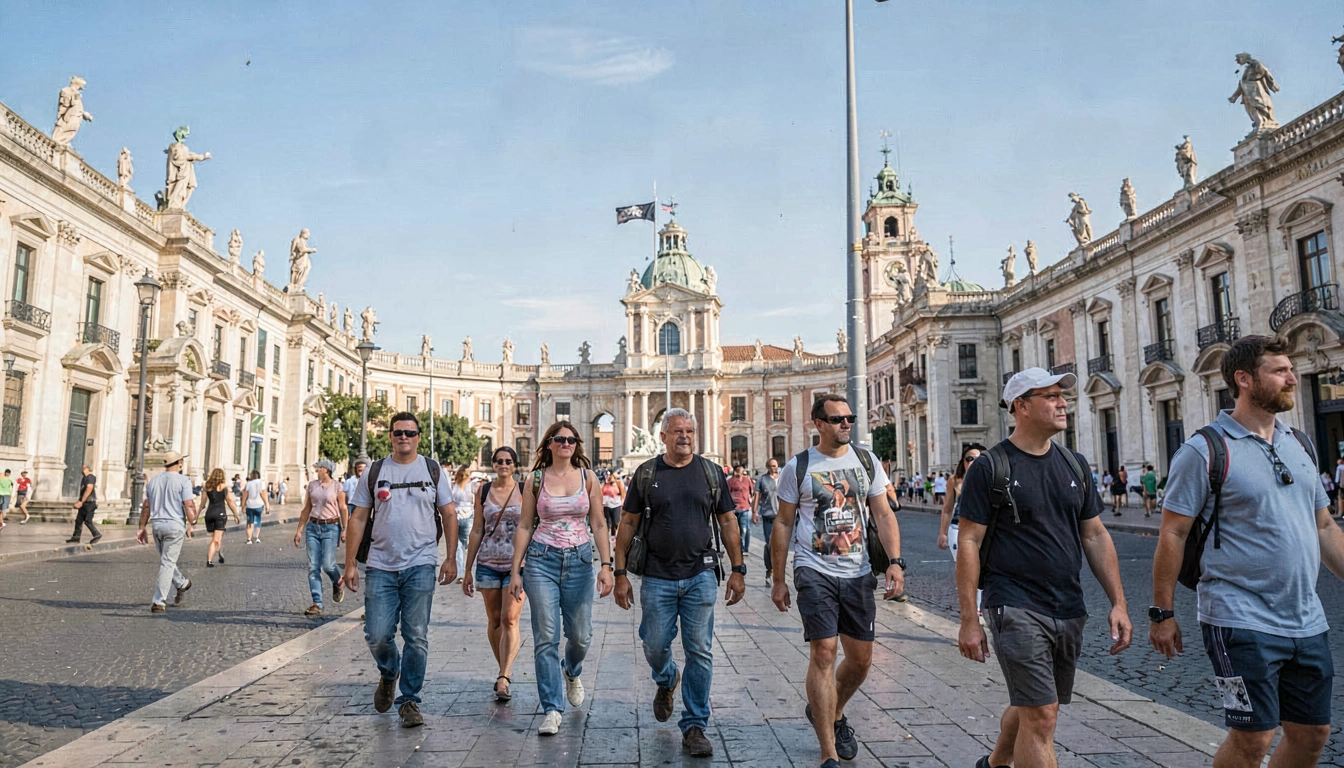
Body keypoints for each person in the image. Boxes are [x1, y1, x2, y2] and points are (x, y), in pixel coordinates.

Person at [1151, 336, 1344, 768]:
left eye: (1290, 369)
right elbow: (1173, 534)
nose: (1292, 378)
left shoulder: (1301, 444)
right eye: (1280, 371)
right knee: (1253, 737)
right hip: (1237, 618)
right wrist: (1162, 613)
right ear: (1244, 379)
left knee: (1312, 734)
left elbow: (1325, 527)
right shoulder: (1204, 450)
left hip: (1307, 618)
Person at [955, 368, 1131, 768]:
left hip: (1068, 606)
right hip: (1014, 603)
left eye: (1061, 395)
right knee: (1042, 715)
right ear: (1021, 406)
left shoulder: (1075, 464)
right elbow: (969, 542)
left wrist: (1119, 603)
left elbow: (1095, 535)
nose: (1062, 402)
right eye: (1050, 396)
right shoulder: (990, 466)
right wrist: (969, 619)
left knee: (1033, 705)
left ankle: (994, 764)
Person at [769, 395, 904, 768]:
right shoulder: (798, 467)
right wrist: (778, 578)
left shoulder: (866, 461)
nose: (846, 424)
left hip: (858, 571)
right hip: (814, 568)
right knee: (824, 651)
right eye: (837, 419)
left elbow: (883, 513)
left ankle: (833, 712)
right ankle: (828, 751)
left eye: (849, 418)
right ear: (818, 424)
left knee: (860, 661)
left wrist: (895, 562)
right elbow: (783, 522)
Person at [614, 409, 743, 757]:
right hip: (657, 575)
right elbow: (627, 523)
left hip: (700, 574)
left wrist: (738, 568)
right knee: (654, 644)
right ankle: (667, 677)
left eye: (689, 430)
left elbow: (728, 521)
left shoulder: (710, 472)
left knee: (700, 650)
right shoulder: (647, 473)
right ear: (663, 436)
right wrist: (620, 574)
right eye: (677, 431)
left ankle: (695, 725)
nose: (684, 436)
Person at [342, 412, 458, 728]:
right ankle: (390, 670)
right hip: (381, 563)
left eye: (410, 432)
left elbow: (449, 514)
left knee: (416, 635)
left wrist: (450, 558)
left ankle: (409, 700)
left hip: (421, 562)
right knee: (377, 634)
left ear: (418, 437)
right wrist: (350, 563)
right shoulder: (375, 471)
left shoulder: (432, 470)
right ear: (391, 437)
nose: (404, 437)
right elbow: (358, 518)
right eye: (398, 433)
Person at [508, 421, 614, 737]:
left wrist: (606, 565)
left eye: (571, 439)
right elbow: (525, 525)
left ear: (576, 444)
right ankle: (552, 709)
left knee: (581, 635)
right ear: (549, 444)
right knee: (546, 636)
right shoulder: (535, 479)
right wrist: (515, 570)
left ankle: (571, 670)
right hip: (541, 560)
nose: (566, 443)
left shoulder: (588, 478)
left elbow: (599, 524)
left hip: (579, 560)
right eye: (560, 439)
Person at [462, 446, 526, 702]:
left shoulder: (524, 491)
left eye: (508, 461)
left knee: (510, 618)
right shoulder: (483, 490)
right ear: (493, 464)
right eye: (499, 461)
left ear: (515, 465)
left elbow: (531, 526)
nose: (503, 464)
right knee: (495, 620)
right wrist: (467, 569)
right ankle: (503, 668)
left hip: (517, 565)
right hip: (487, 561)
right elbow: (477, 529)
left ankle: (504, 675)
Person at [137, 452, 198, 613]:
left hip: (157, 525)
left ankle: (182, 583)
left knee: (166, 561)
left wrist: (142, 527)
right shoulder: (183, 481)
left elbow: (146, 506)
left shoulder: (153, 481)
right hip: (175, 525)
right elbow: (188, 504)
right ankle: (159, 601)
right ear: (179, 462)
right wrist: (193, 521)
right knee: (168, 562)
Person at [294, 459, 348, 616]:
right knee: (313, 566)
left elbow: (343, 508)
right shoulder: (312, 485)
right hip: (313, 527)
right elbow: (306, 509)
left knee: (328, 565)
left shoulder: (337, 486)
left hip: (331, 527)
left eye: (318, 468)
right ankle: (317, 603)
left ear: (325, 469)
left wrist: (345, 529)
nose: (316, 470)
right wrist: (299, 530)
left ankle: (338, 581)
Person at [937, 443, 984, 613]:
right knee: (966, 566)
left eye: (977, 459)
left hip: (982, 529)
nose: (972, 462)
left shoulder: (989, 477)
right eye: (969, 458)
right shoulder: (954, 480)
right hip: (958, 528)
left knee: (982, 566)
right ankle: (972, 607)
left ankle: (979, 603)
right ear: (963, 462)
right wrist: (942, 533)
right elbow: (947, 509)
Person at [199, 468, 238, 567]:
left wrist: (196, 515)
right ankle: (210, 559)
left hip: (209, 514)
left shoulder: (207, 486)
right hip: (220, 514)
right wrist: (236, 514)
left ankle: (218, 552)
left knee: (215, 537)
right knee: (216, 539)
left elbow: (202, 503)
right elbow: (229, 501)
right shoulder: (224, 486)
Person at [753, 458, 781, 585]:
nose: (775, 468)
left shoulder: (782, 478)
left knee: (779, 545)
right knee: (770, 544)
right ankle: (770, 570)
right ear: (768, 467)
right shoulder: (762, 480)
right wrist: (755, 511)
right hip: (768, 515)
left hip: (781, 517)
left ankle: (778, 571)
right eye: (772, 466)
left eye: (776, 466)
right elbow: (757, 495)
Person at [450, 466, 476, 581]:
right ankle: (461, 572)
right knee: (458, 545)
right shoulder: (454, 486)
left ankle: (465, 570)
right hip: (456, 517)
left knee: (465, 544)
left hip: (468, 516)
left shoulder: (472, 486)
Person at [66, 465, 101, 544]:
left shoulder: (90, 477)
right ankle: (76, 537)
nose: (82, 470)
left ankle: (96, 534)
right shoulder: (85, 478)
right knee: (79, 520)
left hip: (89, 503)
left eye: (84, 468)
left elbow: (89, 489)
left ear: (88, 469)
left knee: (88, 521)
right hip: (85, 503)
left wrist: (81, 501)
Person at [727, 465, 754, 554]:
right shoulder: (730, 481)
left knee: (745, 529)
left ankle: (744, 548)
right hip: (734, 508)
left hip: (745, 507)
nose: (741, 473)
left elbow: (752, 492)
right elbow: (727, 494)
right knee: (736, 530)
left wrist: (752, 504)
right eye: (739, 471)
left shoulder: (747, 479)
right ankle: (739, 547)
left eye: (742, 471)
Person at [241, 470, 268, 544]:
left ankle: (249, 539)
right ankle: (256, 538)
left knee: (249, 522)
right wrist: (267, 505)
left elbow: (245, 495)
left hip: (250, 505)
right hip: (259, 505)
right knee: (257, 521)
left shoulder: (248, 483)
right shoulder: (262, 483)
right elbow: (264, 494)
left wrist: (242, 505)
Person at [600, 471, 624, 543]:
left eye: (609, 475)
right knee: (608, 522)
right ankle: (607, 537)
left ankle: (613, 534)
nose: (608, 477)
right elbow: (601, 493)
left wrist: (622, 501)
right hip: (607, 505)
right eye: (607, 475)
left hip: (616, 505)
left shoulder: (618, 484)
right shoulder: (605, 485)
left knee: (616, 522)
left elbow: (623, 493)